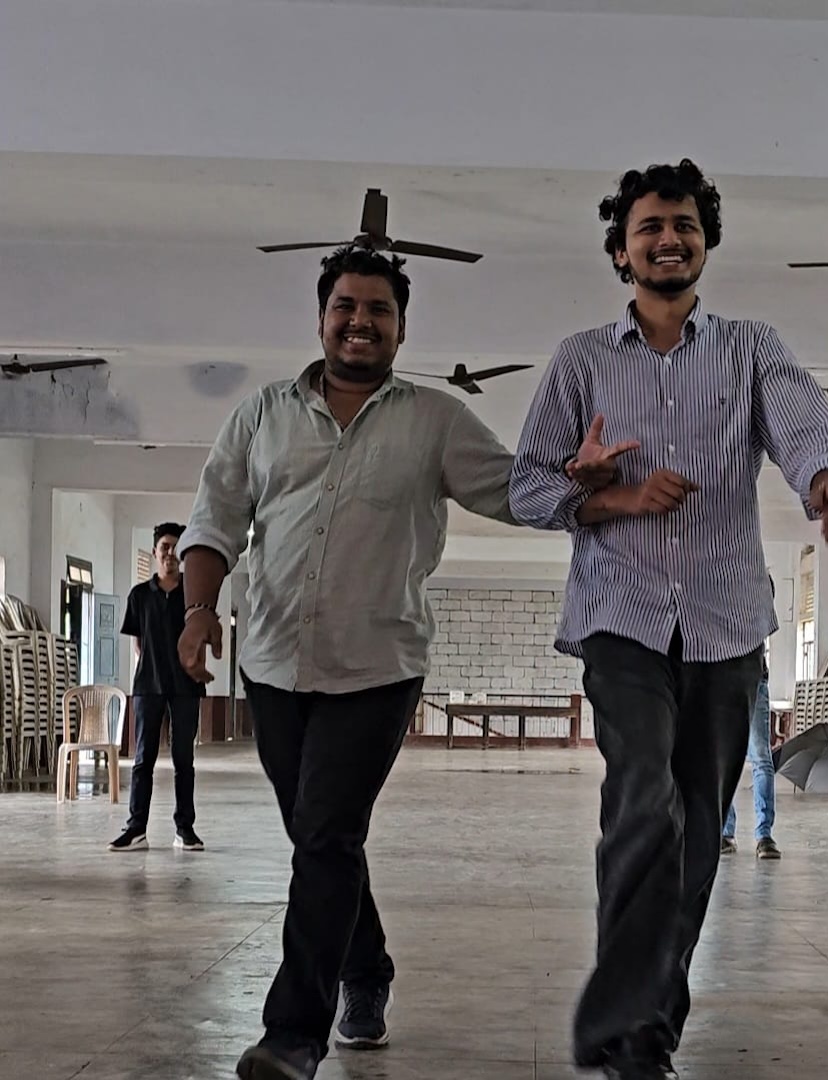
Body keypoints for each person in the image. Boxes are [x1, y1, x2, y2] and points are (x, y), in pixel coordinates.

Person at [174, 246, 612, 1080]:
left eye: (378, 310)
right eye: (346, 306)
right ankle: (366, 968)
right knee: (320, 838)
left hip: (376, 667)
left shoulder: (435, 419)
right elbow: (214, 519)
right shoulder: (260, 415)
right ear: (321, 318)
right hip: (271, 661)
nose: (360, 321)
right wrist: (197, 613)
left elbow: (512, 491)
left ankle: (292, 1036)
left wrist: (577, 480)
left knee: (326, 836)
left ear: (401, 328)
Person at [509, 159, 828, 1080]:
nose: (668, 240)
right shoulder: (581, 360)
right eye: (649, 228)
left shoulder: (749, 347)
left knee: (698, 829)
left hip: (723, 622)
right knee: (643, 804)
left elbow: (802, 426)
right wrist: (603, 494)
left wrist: (826, 481)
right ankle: (620, 1015)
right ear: (620, 252)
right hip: (620, 616)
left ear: (704, 243)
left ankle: (647, 1035)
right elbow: (527, 487)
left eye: (683, 226)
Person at [110, 522, 205, 853]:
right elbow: (138, 644)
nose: (170, 553)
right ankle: (136, 829)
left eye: (176, 548)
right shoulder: (139, 595)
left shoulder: (193, 594)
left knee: (184, 760)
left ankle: (185, 829)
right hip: (148, 686)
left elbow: (200, 638)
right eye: (165, 547)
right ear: (155, 552)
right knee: (143, 759)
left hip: (186, 687)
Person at [723, 576, 779, 859]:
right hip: (722, 680)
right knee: (725, 759)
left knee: (760, 757)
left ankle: (764, 835)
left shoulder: (760, 582)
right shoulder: (719, 584)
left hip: (755, 678)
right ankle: (725, 831)